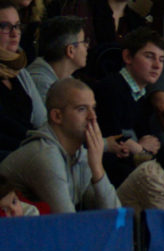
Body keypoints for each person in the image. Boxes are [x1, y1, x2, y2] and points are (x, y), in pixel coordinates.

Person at [0, 78, 117, 213]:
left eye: (93, 108)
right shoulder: (45, 155)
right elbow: (66, 223)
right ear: (57, 116)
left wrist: (98, 169)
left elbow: (115, 216)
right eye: (82, 109)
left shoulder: (80, 153)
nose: (93, 117)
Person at [91, 27, 164, 185]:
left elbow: (150, 143)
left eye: (161, 59)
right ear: (127, 57)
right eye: (149, 56)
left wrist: (138, 148)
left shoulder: (142, 96)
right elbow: (116, 144)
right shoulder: (111, 89)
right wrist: (140, 148)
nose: (157, 65)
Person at [0, 0, 48, 156]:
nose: (14, 34)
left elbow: (41, 120)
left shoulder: (19, 71)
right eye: (4, 26)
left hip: (30, 152)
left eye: (17, 26)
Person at [26, 16, 88, 103]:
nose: (86, 46)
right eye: (83, 42)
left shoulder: (67, 79)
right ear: (70, 50)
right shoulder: (40, 83)